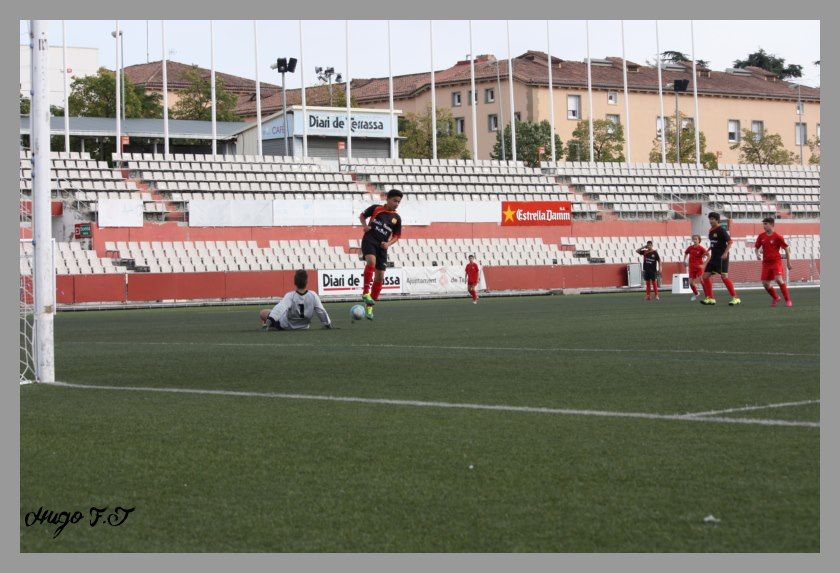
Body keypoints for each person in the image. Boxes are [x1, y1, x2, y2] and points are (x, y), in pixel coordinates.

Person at [359, 188, 403, 320]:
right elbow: (362, 215)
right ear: (387, 199)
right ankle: (365, 293)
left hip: (383, 247)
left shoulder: (396, 218)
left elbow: (397, 235)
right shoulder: (376, 208)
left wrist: (388, 244)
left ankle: (369, 307)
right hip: (370, 240)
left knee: (380, 277)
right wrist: (365, 225)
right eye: (394, 200)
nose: (396, 203)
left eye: (398, 202)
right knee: (371, 261)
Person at [259, 269, 332, 331]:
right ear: (306, 282)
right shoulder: (313, 295)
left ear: (295, 282)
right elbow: (321, 311)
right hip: (304, 327)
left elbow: (279, 309)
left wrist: (269, 322)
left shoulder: (290, 295)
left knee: (263, 312)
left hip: (286, 326)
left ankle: (269, 326)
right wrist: (327, 324)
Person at [700, 212, 741, 306]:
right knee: (705, 276)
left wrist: (725, 253)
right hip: (714, 257)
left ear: (717, 220)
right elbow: (713, 243)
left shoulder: (721, 230)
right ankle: (711, 298)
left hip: (722, 257)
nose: (710, 221)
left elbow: (730, 242)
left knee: (724, 277)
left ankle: (736, 298)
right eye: (709, 219)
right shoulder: (711, 230)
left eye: (712, 219)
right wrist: (708, 250)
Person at [754, 217, 793, 307]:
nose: (764, 226)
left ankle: (788, 300)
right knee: (765, 284)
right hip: (766, 263)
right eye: (763, 224)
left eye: (766, 224)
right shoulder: (761, 236)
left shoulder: (778, 237)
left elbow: (787, 249)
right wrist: (757, 254)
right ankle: (776, 297)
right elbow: (756, 248)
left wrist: (788, 262)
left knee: (778, 279)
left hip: (776, 262)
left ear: (771, 224)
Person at [683, 235, 708, 302]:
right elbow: (686, 253)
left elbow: (708, 256)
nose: (694, 240)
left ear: (699, 240)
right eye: (693, 239)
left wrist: (704, 264)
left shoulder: (701, 248)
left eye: (696, 239)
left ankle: (707, 296)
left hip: (699, 267)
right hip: (691, 267)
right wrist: (684, 260)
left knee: (701, 280)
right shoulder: (690, 248)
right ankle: (696, 293)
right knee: (691, 283)